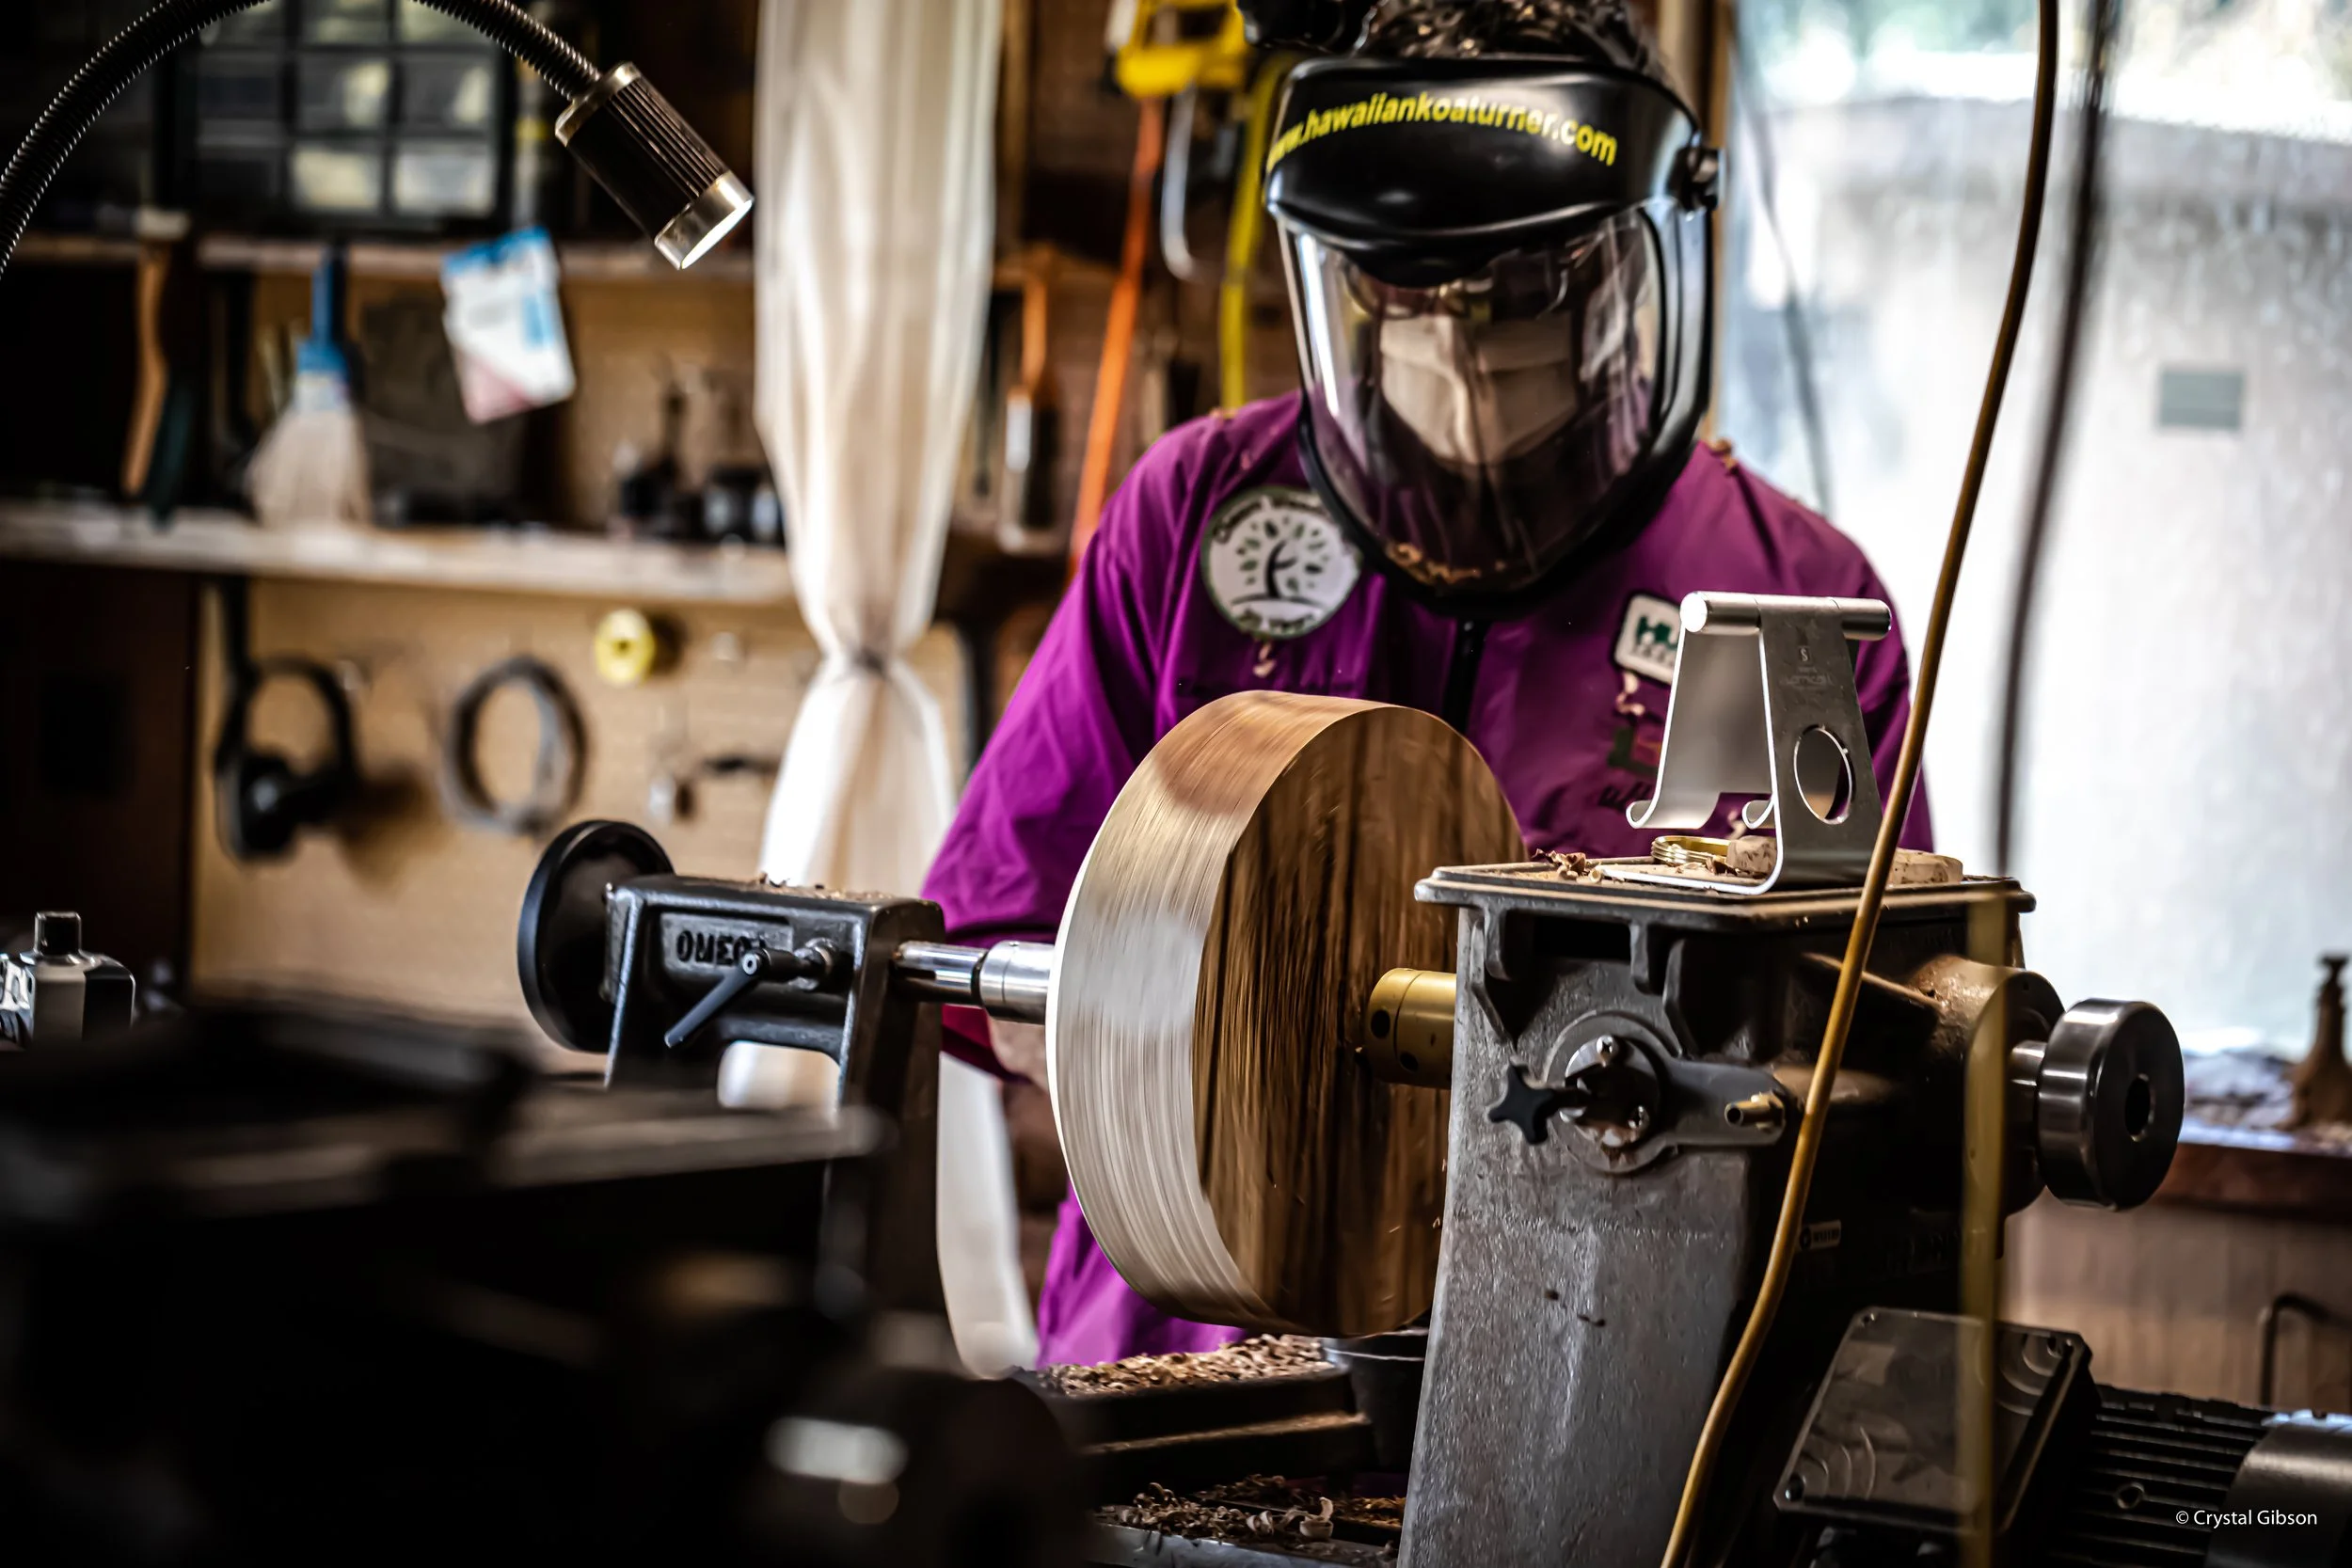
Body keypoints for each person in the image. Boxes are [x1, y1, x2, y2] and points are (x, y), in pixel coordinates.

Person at [923, 0, 1931, 1367]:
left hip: (1605, 1377)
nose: (1462, 344)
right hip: (1188, 1360)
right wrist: (1218, 1076)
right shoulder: (1194, 514)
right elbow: (984, 941)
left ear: (1635, 261)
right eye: (1400, 289)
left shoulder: (1795, 602)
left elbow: (1887, 1049)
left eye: (1525, 285)